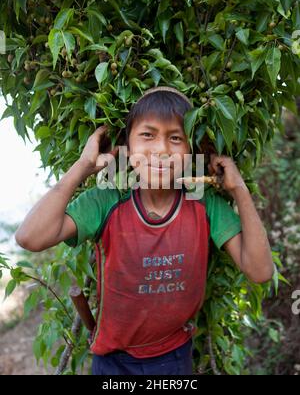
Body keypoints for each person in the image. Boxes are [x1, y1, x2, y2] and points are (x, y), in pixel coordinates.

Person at [15, 86, 274, 375]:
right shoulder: (107, 200)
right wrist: (84, 166)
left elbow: (260, 270)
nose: (161, 150)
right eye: (147, 135)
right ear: (127, 147)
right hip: (112, 361)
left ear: (191, 151)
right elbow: (30, 237)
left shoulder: (203, 203)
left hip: (174, 356)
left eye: (175, 138)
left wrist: (238, 188)